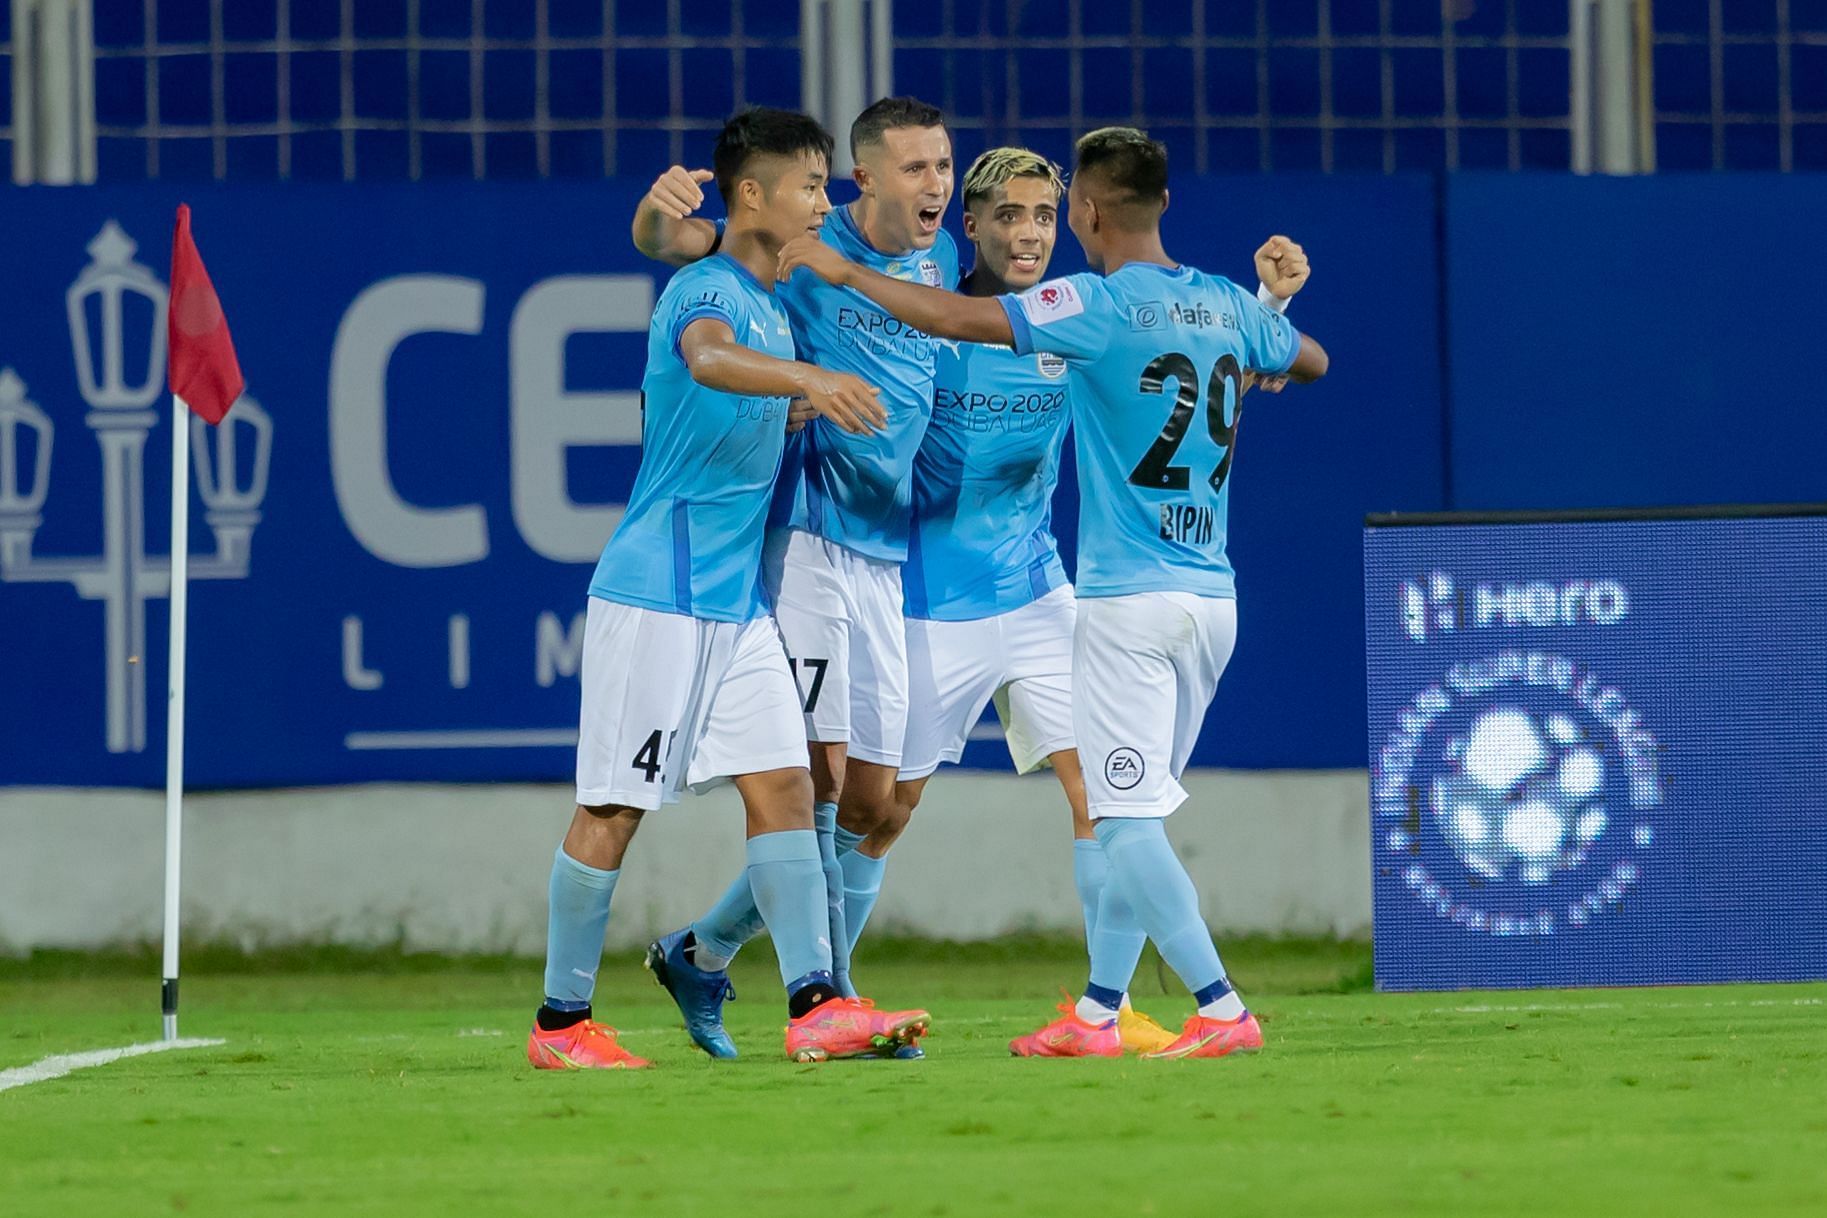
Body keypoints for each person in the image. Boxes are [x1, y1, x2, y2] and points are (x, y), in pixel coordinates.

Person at [777, 125, 1329, 1059]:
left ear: (1083, 212)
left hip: (1106, 601)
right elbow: (1304, 359)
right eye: (1008, 212)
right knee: (888, 811)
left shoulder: (1089, 308)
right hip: (1188, 599)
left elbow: (953, 319)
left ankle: (1219, 1006)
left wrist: (840, 270)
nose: (1035, 228)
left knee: (1113, 813)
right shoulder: (1214, 304)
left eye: (1050, 207)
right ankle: (1094, 1014)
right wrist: (1263, 312)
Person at [527, 107, 929, 1069]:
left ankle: (815, 1003)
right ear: (754, 195)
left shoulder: (774, 292)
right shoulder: (702, 289)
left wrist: (788, 403)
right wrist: (808, 381)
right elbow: (705, 358)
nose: (823, 203)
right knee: (614, 809)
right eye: (808, 187)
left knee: (790, 787)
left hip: (737, 603)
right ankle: (561, 1025)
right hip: (658, 593)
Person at [629, 97, 958, 1057]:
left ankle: (703, 948)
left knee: (876, 804)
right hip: (805, 539)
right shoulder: (805, 242)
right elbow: (682, 244)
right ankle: (831, 1001)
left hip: (884, 552)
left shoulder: (928, 270)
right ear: (865, 180)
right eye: (914, 168)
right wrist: (654, 218)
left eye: (942, 165)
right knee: (814, 780)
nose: (934, 183)